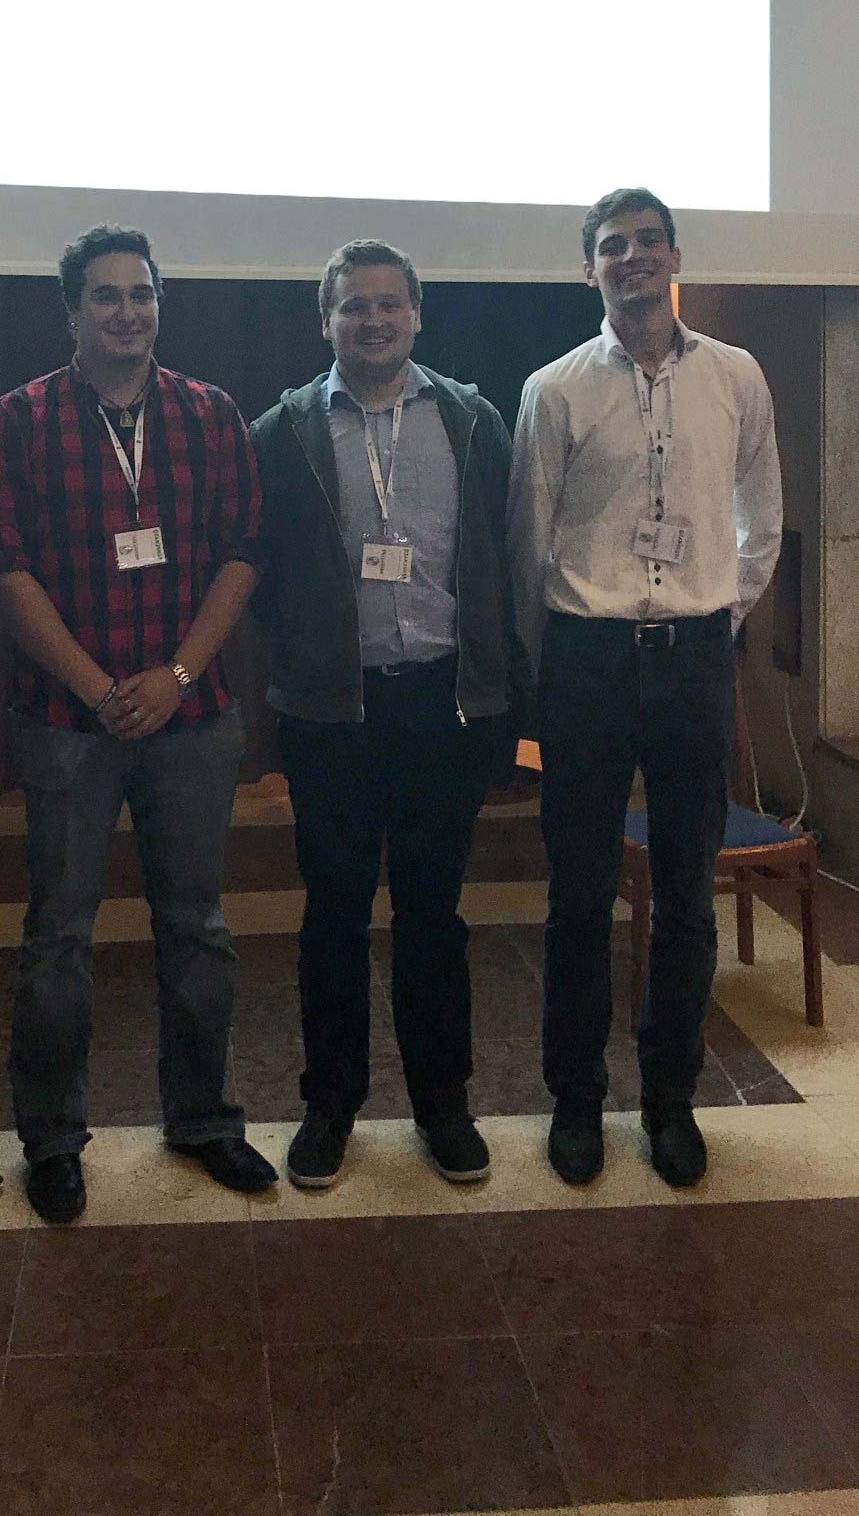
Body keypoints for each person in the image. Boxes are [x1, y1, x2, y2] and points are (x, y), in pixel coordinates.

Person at [0, 224, 276, 1223]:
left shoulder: (211, 414)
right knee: (58, 938)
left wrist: (178, 676)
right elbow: (6, 568)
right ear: (71, 311)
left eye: (141, 294)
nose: (126, 311)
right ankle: (53, 1139)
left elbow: (243, 551)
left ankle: (204, 1119)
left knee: (198, 930)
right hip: (67, 723)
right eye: (104, 296)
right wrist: (101, 688)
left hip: (193, 718)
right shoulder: (20, 420)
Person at [508, 187, 782, 1189]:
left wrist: (717, 616)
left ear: (675, 255)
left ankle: (671, 1103)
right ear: (589, 268)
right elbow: (528, 541)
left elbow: (762, 517)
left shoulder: (737, 376)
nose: (633, 257)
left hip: (694, 662)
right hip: (587, 662)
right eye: (613, 245)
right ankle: (576, 1103)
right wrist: (551, 661)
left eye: (649, 241)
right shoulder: (555, 390)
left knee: (687, 899)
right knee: (580, 897)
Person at [250, 240, 529, 1189]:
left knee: (432, 914)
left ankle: (442, 1105)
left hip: (444, 706)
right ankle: (329, 1106)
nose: (373, 320)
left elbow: (502, 555)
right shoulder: (282, 431)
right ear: (324, 321)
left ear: (417, 314)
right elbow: (260, 572)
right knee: (332, 915)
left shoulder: (472, 420)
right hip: (333, 712)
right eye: (353, 306)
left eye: (389, 304)